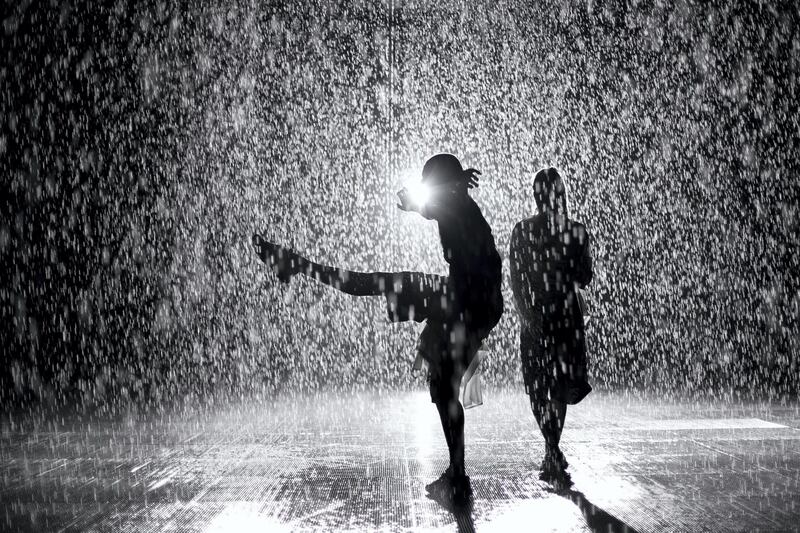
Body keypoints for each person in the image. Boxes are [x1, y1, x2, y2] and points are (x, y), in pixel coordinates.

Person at [253, 153, 503, 504]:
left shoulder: (459, 209)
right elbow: (434, 208)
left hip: (467, 303)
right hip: (464, 299)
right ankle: (457, 472)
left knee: (377, 288)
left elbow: (439, 211)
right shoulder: (456, 206)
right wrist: (424, 199)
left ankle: (458, 474)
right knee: (439, 379)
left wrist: (425, 197)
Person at [509, 167, 593, 489]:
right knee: (558, 385)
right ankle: (552, 447)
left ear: (535, 195)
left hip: (536, 313)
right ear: (561, 194)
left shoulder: (522, 230)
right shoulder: (576, 230)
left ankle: (551, 447)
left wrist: (526, 312)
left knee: (537, 385)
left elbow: (517, 280)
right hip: (566, 315)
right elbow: (585, 278)